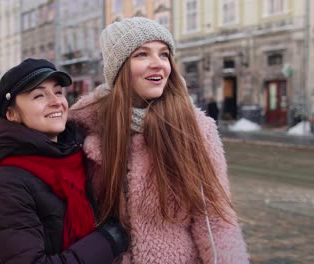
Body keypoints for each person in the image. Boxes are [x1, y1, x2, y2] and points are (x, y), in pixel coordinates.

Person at [70, 17, 248, 263]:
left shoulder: (194, 128)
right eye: (142, 54)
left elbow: (215, 222)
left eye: (164, 55)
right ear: (118, 67)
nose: (158, 65)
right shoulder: (85, 125)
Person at [0, 58, 128, 263]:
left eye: (58, 92)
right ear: (12, 114)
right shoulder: (5, 186)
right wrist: (107, 241)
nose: (56, 101)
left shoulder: (85, 155)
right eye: (39, 95)